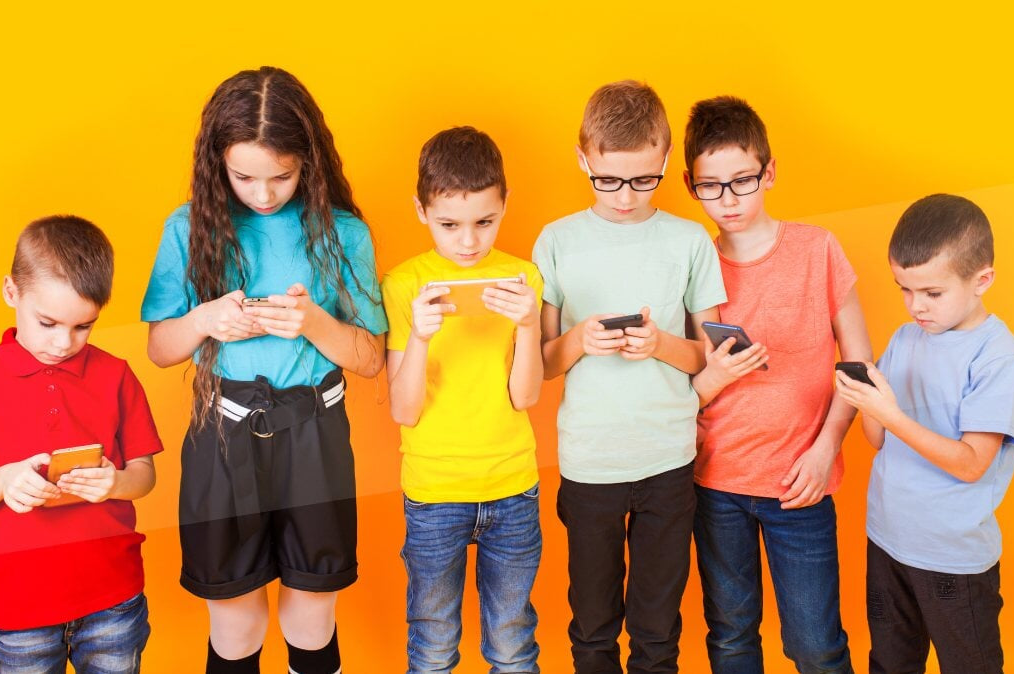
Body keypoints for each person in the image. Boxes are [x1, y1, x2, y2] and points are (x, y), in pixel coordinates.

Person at [142, 66, 386, 674]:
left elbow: (372, 359)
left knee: (311, 614)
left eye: (282, 175)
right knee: (236, 619)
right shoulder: (187, 227)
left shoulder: (343, 232)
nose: (264, 194)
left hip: (316, 431)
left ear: (309, 160)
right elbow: (160, 348)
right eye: (243, 176)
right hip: (222, 434)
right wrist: (204, 321)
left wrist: (314, 323)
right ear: (216, 162)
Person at [533, 80, 726, 673]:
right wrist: (577, 340)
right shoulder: (557, 240)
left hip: (668, 459)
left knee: (658, 630)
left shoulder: (689, 241)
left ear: (666, 160)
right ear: (583, 159)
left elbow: (711, 357)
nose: (624, 196)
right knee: (591, 628)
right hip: (589, 462)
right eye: (608, 179)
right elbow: (540, 364)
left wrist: (662, 343)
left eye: (644, 179)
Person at [684, 95, 870, 673]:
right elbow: (687, 384)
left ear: (769, 172)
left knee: (815, 643)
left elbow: (858, 365)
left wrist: (825, 451)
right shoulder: (694, 265)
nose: (728, 200)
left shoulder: (818, 250)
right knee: (733, 637)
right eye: (710, 186)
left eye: (741, 180)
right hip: (715, 483)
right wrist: (715, 378)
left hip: (800, 483)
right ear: (692, 186)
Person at [0, 215, 161, 673]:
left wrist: (115, 482)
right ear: (11, 293)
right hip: (19, 606)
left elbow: (144, 474)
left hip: (114, 598)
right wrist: (4, 480)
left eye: (84, 326)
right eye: (47, 323)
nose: (64, 342)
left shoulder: (117, 374)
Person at [836, 193, 1014, 674]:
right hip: (888, 539)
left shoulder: (998, 357)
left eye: (932, 293)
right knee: (890, 662)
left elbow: (971, 464)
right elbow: (877, 440)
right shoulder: (906, 338)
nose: (915, 307)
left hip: (953, 557)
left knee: (969, 665)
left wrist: (892, 413)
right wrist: (867, 397)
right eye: (904, 290)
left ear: (981, 280)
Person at [383, 126, 544, 673]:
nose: (469, 242)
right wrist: (421, 337)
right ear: (421, 211)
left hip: (513, 487)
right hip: (433, 494)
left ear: (504, 205)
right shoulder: (404, 284)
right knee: (432, 644)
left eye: (485, 222)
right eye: (450, 225)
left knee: (512, 642)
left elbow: (525, 396)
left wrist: (527, 326)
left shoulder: (524, 276)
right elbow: (403, 411)